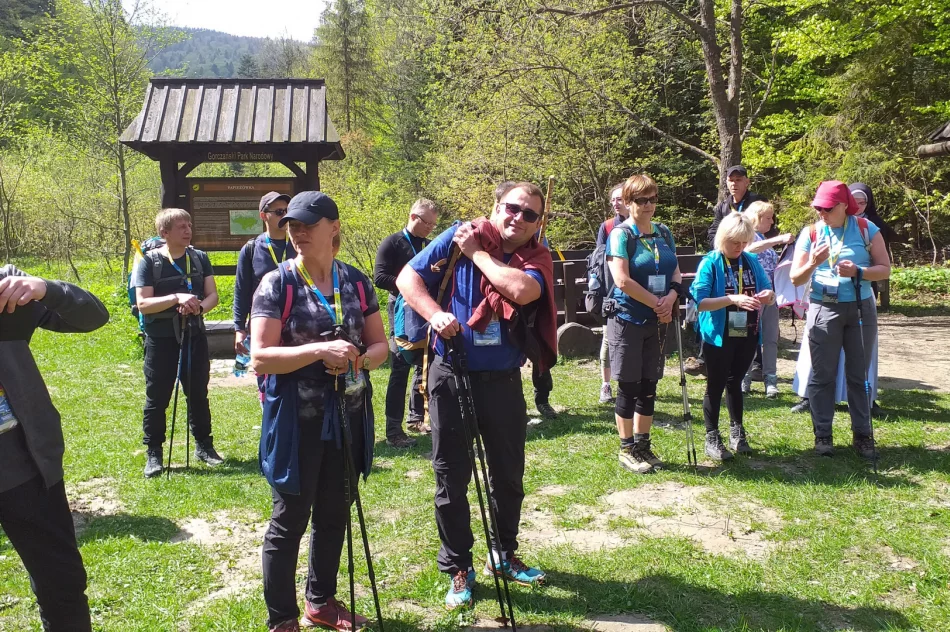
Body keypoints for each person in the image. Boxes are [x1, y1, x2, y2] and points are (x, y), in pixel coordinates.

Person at [396, 181, 557, 609]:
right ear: (496, 206)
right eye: (511, 208)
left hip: (503, 381)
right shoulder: (459, 233)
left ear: (538, 223)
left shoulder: (534, 255)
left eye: (529, 215)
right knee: (451, 478)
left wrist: (477, 255)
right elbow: (406, 277)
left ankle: (503, 555)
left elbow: (521, 291)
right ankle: (458, 567)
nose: (518, 219)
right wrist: (433, 314)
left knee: (508, 476)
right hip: (451, 375)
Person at [250, 191, 389, 632]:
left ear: (335, 228)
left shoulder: (356, 281)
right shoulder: (278, 283)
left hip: (348, 417)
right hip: (296, 419)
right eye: (292, 224)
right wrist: (317, 351)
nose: (299, 231)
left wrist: (358, 361)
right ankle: (282, 618)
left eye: (309, 223)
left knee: (334, 512)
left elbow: (381, 347)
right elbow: (260, 357)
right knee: (289, 519)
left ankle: (320, 601)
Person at [0, 265, 108, 632]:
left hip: (23, 463)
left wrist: (45, 288)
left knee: (61, 585)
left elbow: (93, 316)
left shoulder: (7, 286)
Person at [789, 181, 891, 458]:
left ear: (845, 205)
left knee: (858, 376)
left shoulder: (866, 229)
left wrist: (858, 271)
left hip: (860, 308)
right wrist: (812, 262)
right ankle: (823, 435)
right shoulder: (810, 233)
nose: (821, 212)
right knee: (822, 375)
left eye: (827, 208)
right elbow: (795, 278)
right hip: (824, 308)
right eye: (818, 207)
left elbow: (884, 270)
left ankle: (863, 436)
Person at [134, 208, 222, 478]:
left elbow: (213, 296)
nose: (187, 230)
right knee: (157, 396)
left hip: (193, 335)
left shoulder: (199, 258)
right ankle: (154, 453)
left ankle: (204, 446)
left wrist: (198, 308)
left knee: (197, 392)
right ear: (165, 233)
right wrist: (176, 298)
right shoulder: (150, 262)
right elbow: (143, 304)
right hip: (160, 340)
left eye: (189, 225)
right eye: (181, 226)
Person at [604, 174, 682, 474]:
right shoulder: (621, 235)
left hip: (658, 319)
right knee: (629, 385)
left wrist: (672, 296)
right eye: (640, 200)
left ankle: (643, 443)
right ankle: (626, 448)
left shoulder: (663, 232)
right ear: (627, 202)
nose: (648, 205)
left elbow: (675, 270)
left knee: (650, 384)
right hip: (627, 319)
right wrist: (657, 303)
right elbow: (621, 280)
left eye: (652, 199)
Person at [692, 212, 775, 460]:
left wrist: (767, 296)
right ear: (723, 239)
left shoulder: (750, 261)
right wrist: (731, 299)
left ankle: (737, 431)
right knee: (716, 383)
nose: (739, 248)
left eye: (743, 243)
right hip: (718, 333)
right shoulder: (710, 263)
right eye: (734, 243)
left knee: (735, 381)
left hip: (747, 332)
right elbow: (701, 302)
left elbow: (768, 291)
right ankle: (712, 435)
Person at [374, 198, 439, 448]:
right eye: (427, 223)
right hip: (400, 309)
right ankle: (393, 430)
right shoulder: (392, 243)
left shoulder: (429, 245)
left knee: (424, 361)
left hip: (424, 307)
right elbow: (379, 277)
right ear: (413, 217)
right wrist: (408, 287)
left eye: (434, 225)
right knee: (400, 365)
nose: (430, 229)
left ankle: (417, 418)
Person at [233, 191, 296, 379]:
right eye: (278, 212)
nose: (284, 216)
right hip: (264, 323)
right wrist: (239, 330)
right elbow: (241, 291)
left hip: (296, 322)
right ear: (263, 216)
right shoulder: (251, 249)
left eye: (287, 211)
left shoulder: (298, 245)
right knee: (265, 378)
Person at [741, 201, 795, 398]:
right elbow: (748, 250)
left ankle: (770, 380)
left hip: (770, 296)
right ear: (756, 217)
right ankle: (744, 379)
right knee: (747, 338)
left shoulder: (763, 238)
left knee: (770, 338)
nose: (772, 221)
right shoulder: (746, 235)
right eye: (768, 217)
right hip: (750, 296)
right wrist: (778, 240)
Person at [596, 183, 629, 403]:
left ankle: (629, 383)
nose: (616, 204)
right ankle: (606, 385)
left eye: (620, 199)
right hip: (612, 291)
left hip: (638, 292)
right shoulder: (607, 227)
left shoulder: (643, 225)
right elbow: (598, 258)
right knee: (609, 340)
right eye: (613, 200)